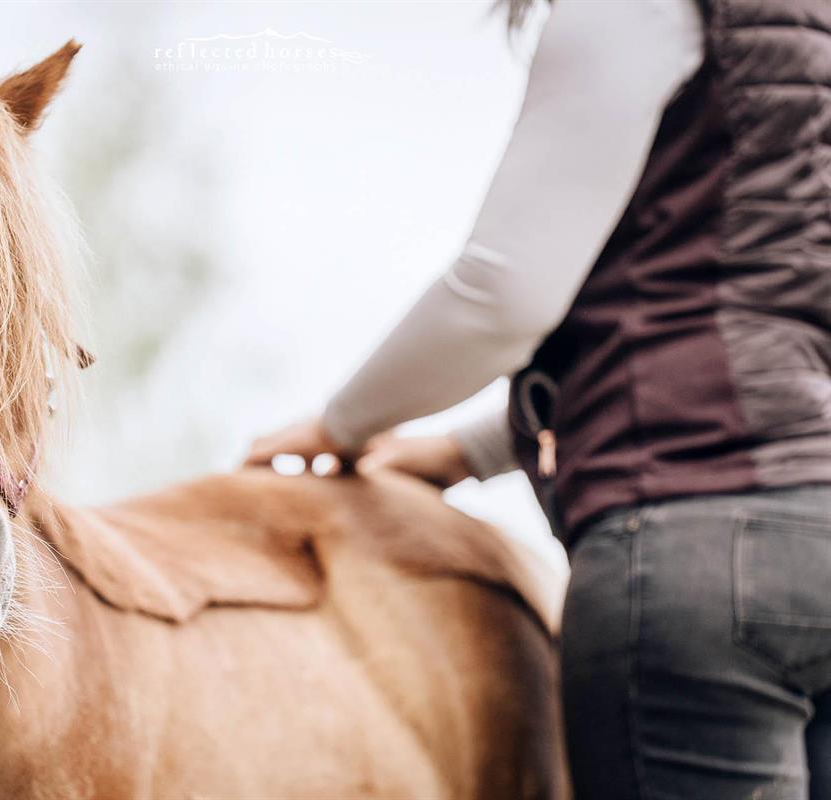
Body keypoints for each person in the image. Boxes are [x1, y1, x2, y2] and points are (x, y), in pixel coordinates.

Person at [245, 1, 831, 797]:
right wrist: (474, 450)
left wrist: (343, 424)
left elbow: (502, 295)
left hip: (690, 544)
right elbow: (767, 314)